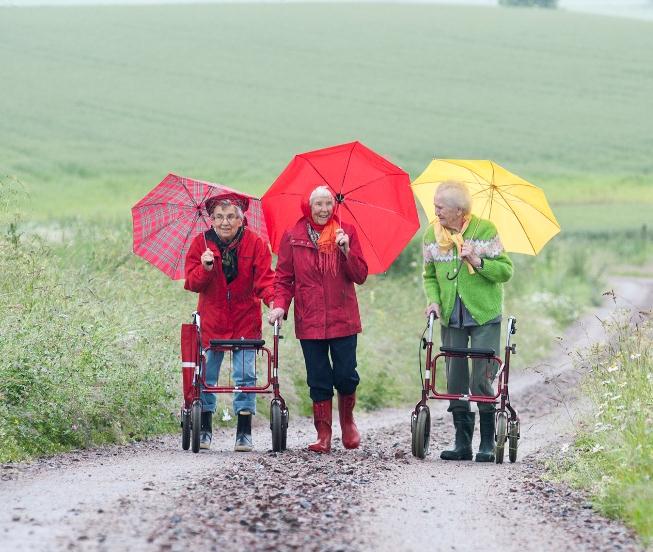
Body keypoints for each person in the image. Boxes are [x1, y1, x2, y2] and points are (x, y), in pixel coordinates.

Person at [268, 186, 368, 453]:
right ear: (308, 206)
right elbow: (284, 278)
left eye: (328, 204)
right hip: (309, 318)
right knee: (318, 378)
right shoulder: (293, 236)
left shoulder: (345, 232)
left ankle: (348, 423)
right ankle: (323, 435)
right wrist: (279, 307)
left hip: (343, 317)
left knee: (346, 375)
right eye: (318, 204)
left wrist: (346, 250)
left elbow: (360, 275)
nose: (324, 209)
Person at [423, 181, 513, 462]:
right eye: (435, 206)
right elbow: (429, 276)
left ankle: (487, 443)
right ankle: (462, 443)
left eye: (440, 207)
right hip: (451, 315)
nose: (435, 211)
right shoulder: (431, 234)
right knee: (456, 378)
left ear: (459, 210)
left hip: (484, 314)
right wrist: (434, 300)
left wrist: (477, 259)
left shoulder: (485, 231)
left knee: (481, 378)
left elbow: (505, 271)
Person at [184, 193, 275, 452]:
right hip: (212, 321)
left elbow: (266, 281)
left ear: (241, 220)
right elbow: (191, 283)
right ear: (211, 220)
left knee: (245, 375)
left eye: (231, 217)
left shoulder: (255, 243)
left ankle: (243, 433)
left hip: (245, 319)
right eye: (220, 217)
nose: (225, 222)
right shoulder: (200, 244)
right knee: (207, 376)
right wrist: (205, 268)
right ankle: (204, 429)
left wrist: (274, 305)